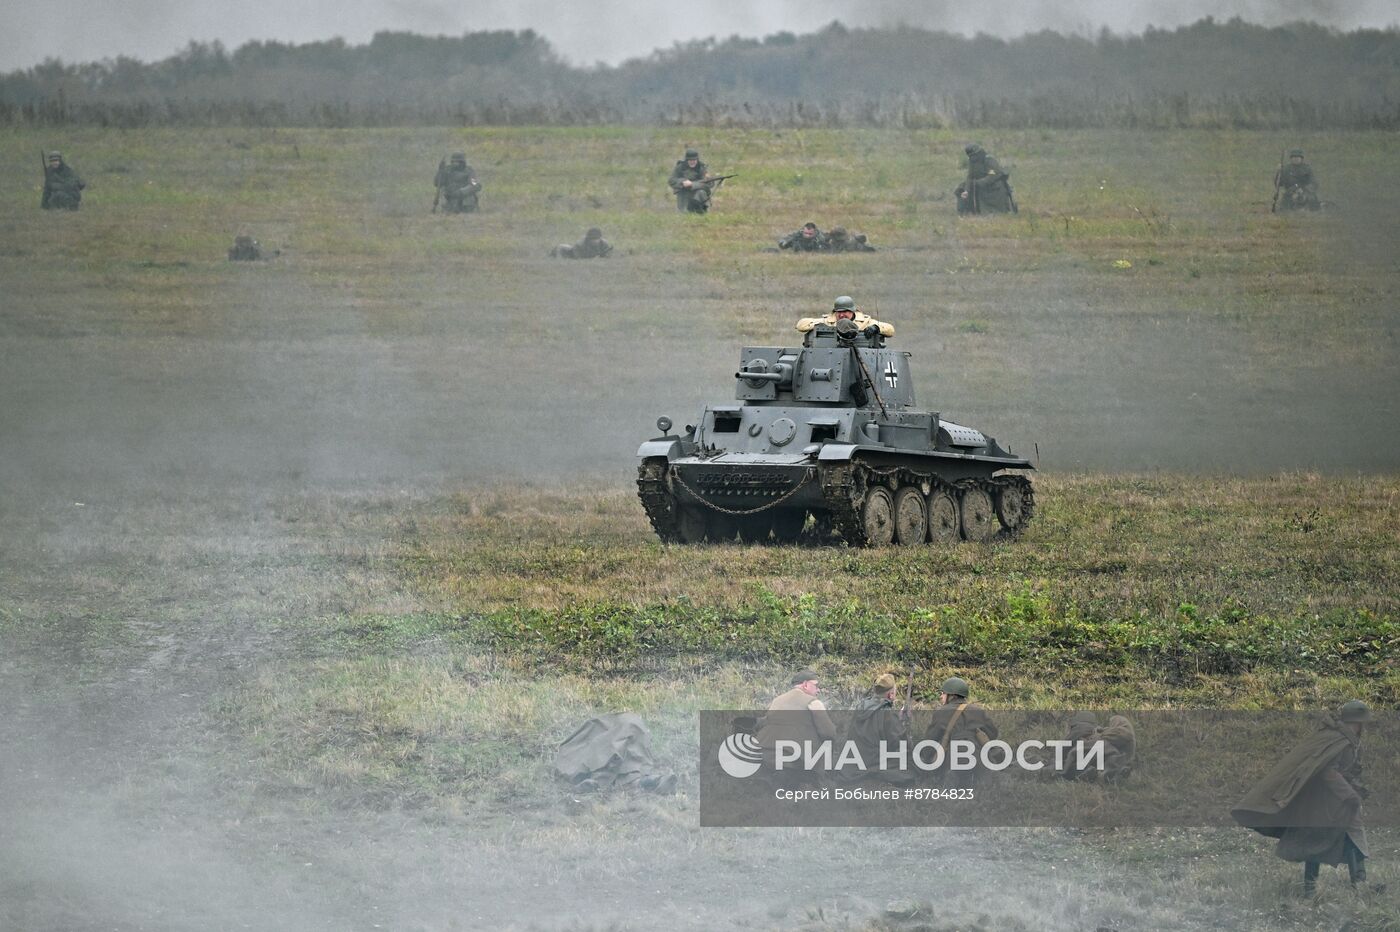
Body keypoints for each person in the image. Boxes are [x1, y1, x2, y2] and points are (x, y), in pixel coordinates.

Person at [1231, 701, 1376, 897]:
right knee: (1321, 841)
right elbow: (1328, 771)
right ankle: (1325, 888)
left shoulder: (1342, 739)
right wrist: (1349, 795)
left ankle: (1354, 885)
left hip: (1331, 802)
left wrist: (1356, 788)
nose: (1362, 728)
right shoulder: (1337, 740)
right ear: (1356, 722)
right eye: (1362, 724)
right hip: (1325, 802)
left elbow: (1344, 770)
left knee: (1343, 837)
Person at [755, 668, 838, 788]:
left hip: (765, 752)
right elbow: (829, 733)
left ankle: (773, 778)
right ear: (805, 684)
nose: (818, 689)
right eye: (816, 685)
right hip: (794, 757)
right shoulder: (813, 702)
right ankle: (818, 778)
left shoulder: (777, 700)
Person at [923, 676, 998, 788]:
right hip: (979, 764)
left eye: (943, 693)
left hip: (951, 764)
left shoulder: (941, 713)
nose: (941, 696)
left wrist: (928, 761)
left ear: (951, 695)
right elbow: (993, 734)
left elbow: (929, 742)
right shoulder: (978, 711)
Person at [841, 672, 912, 784]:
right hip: (874, 763)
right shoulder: (887, 714)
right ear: (891, 695)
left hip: (855, 762)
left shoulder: (861, 706)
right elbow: (901, 743)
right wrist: (902, 725)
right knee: (911, 765)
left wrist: (896, 719)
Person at [1057, 712, 1135, 783]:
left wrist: (1063, 772)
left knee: (1073, 767)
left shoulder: (1099, 740)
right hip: (1111, 760)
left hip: (1089, 760)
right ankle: (1109, 774)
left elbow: (1072, 752)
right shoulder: (1116, 745)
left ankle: (1096, 774)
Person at [955, 144, 1015, 215]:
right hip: (978, 184)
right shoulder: (972, 161)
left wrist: (977, 183)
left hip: (993, 186)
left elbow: (992, 176)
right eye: (970, 156)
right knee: (961, 187)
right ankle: (965, 210)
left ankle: (990, 210)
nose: (972, 158)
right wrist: (966, 190)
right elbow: (970, 177)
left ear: (978, 153)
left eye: (973, 155)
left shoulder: (989, 160)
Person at [795, 295, 895, 338]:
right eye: (839, 312)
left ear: (852, 311)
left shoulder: (865, 322)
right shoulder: (828, 321)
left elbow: (890, 329)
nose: (841, 315)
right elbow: (801, 325)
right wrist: (818, 325)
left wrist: (876, 328)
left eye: (845, 311)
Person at [668, 148, 723, 214]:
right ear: (687, 160)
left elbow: (709, 185)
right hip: (684, 194)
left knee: (701, 193)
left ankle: (702, 211)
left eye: (694, 160)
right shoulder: (680, 167)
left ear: (697, 159)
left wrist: (694, 184)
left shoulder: (701, 168)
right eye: (690, 160)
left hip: (697, 195)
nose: (692, 162)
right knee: (684, 213)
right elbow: (671, 180)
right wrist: (683, 181)